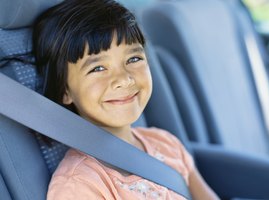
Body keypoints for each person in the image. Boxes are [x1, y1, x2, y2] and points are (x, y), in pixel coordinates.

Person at [33, 0, 219, 199]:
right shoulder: (79, 185)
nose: (124, 79)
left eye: (133, 59)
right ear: (64, 90)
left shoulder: (166, 143)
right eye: (97, 68)